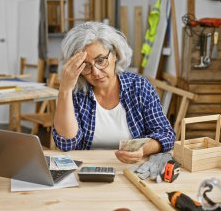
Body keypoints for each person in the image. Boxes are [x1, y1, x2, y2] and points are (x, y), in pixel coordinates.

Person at [52, 22, 175, 164]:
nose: (96, 72)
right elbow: (66, 145)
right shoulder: (75, 93)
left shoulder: (139, 87)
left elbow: (166, 135)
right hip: (86, 170)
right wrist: (65, 90)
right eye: (85, 66)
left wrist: (142, 149)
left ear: (115, 54)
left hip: (132, 170)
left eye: (100, 60)